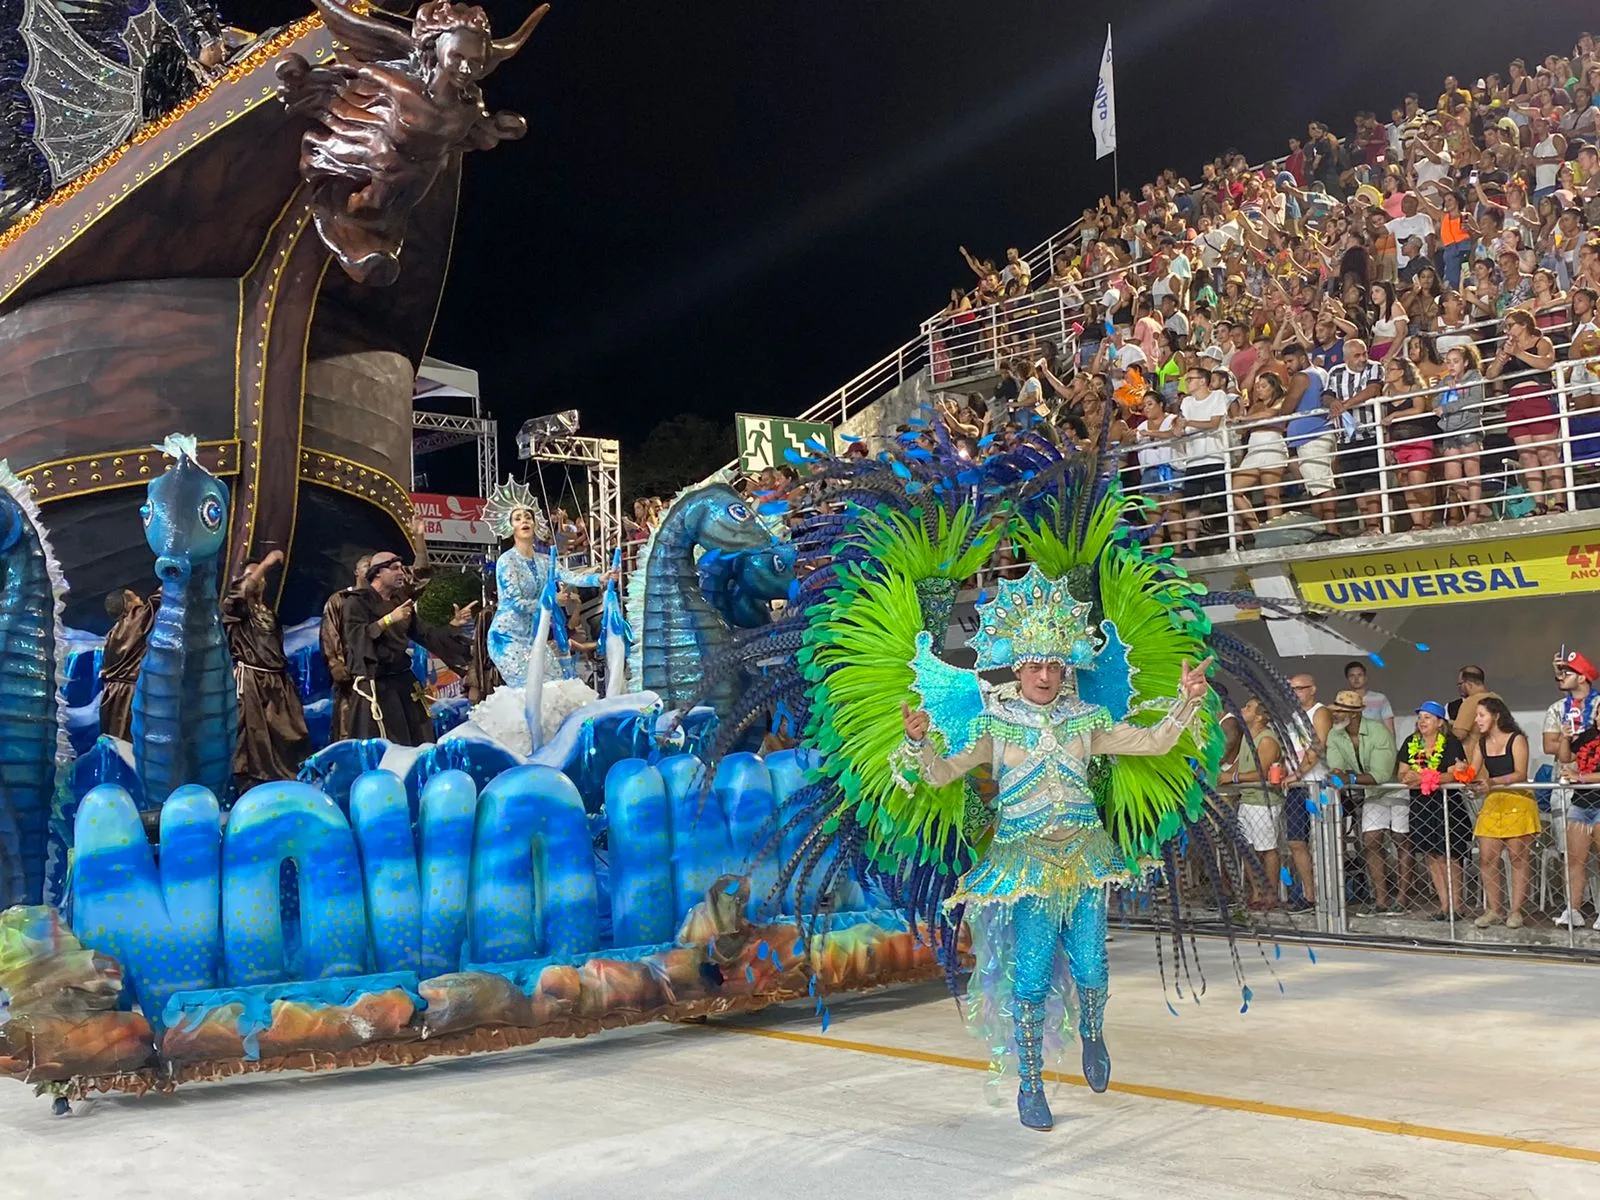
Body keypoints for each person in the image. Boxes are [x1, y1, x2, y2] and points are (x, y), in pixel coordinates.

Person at [896, 567, 1213, 1128]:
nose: (1046, 674)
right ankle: (1030, 1084)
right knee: (1032, 975)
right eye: (1036, 664)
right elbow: (943, 775)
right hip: (1027, 865)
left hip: (1086, 857)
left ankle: (1093, 1035)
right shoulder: (993, 720)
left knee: (1092, 968)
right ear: (1017, 665)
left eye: (1055, 664)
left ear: (1066, 665)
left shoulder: (1085, 718)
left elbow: (1154, 741)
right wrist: (918, 742)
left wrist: (1186, 703)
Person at [481, 480, 607, 686]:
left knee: (557, 684)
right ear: (510, 526)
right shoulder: (507, 561)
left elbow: (571, 576)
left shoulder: (544, 560)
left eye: (528, 517)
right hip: (507, 639)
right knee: (531, 691)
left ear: (535, 524)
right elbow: (516, 603)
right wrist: (550, 600)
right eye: (518, 518)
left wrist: (599, 578)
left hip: (534, 639)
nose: (524, 521)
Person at [341, 552, 474, 746]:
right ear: (377, 573)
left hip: (403, 680)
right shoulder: (356, 602)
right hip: (377, 685)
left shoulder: (399, 602)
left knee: (420, 735)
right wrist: (388, 620)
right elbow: (356, 639)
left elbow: (425, 635)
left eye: (402, 568)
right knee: (385, 742)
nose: (401, 572)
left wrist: (454, 624)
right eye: (394, 568)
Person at [224, 552, 311, 793]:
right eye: (251, 576)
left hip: (276, 678)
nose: (258, 579)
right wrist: (267, 562)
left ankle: (286, 784)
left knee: (287, 731)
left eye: (260, 576)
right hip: (251, 678)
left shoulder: (268, 612)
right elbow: (241, 593)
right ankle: (250, 788)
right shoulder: (236, 608)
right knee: (252, 736)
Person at [1324, 690, 1403, 912]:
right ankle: (1381, 900)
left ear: (1355, 714)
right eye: (1335, 711)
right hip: (1371, 792)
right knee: (1371, 841)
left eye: (1340, 712)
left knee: (1401, 841)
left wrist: (1348, 778)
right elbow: (1336, 767)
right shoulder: (1334, 734)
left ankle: (1404, 897)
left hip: (1396, 788)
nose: (1336, 715)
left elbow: (1381, 775)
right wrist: (1339, 774)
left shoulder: (1378, 732)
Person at [1398, 701, 1472, 921]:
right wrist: (1412, 777)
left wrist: (1425, 777)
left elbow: (1454, 774)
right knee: (1432, 855)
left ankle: (1457, 906)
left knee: (1450, 855)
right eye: (1420, 717)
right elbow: (1403, 772)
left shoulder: (1450, 743)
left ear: (1440, 722)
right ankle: (1444, 905)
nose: (1422, 721)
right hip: (1421, 805)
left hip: (1447, 805)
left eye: (1427, 717)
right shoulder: (1411, 742)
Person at [1486, 309, 1562, 513]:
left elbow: (1546, 362)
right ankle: (1539, 502)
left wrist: (1519, 353)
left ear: (1524, 325)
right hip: (1515, 401)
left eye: (1510, 325)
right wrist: (1503, 357)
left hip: (1537, 396)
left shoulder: (1541, 341)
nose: (1507, 329)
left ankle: (1560, 500)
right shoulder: (1506, 348)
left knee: (1546, 452)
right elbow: (1490, 374)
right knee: (1527, 455)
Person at [1548, 650, 1600, 928]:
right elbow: (1565, 756)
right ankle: (1574, 910)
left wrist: (1580, 777)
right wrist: (1566, 739)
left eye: (1566, 672)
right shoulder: (1587, 733)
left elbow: (1579, 771)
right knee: (1575, 859)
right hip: (1580, 802)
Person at [1220, 698, 1283, 910]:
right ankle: (1256, 892)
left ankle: (1271, 894)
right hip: (1247, 799)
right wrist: (1224, 774)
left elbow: (1263, 773)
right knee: (1247, 847)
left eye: (1248, 707)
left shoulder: (1266, 740)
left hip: (1263, 801)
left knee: (1267, 848)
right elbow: (1238, 763)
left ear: (1259, 717)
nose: (1242, 709)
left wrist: (1233, 777)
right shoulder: (1248, 737)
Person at [1282, 674, 1332, 911]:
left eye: (1299, 688)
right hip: (1297, 786)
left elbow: (1317, 746)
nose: (1294, 693)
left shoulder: (1320, 712)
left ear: (1312, 689)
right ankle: (1309, 894)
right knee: (1295, 841)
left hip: (1316, 783)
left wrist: (1298, 774)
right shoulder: (1294, 717)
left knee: (1323, 841)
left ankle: (1327, 895)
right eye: (1291, 689)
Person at [320, 554, 370, 744]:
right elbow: (329, 632)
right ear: (356, 571)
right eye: (366, 565)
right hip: (350, 676)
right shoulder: (339, 599)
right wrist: (336, 665)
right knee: (347, 724)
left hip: (376, 676)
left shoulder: (380, 600)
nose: (370, 568)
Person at [98, 587, 158, 741]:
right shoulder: (133, 622)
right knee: (130, 745)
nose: (141, 601)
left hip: (111, 694)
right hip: (129, 695)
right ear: (128, 605)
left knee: (114, 744)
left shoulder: (112, 633)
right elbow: (159, 600)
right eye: (136, 597)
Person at [1451, 665, 1500, 760]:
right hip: (1496, 759)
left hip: (1475, 762)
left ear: (1469, 684)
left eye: (1460, 684)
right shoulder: (1498, 699)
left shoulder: (1471, 702)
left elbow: (1459, 734)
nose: (1459, 687)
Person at [1343, 660, 1395, 736]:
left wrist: (1391, 746)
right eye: (1352, 676)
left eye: (1359, 675)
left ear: (1365, 677)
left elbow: (1389, 728)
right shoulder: (1343, 701)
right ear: (1347, 679)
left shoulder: (1380, 698)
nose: (1356, 679)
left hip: (1377, 743)